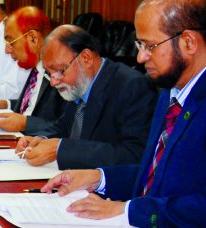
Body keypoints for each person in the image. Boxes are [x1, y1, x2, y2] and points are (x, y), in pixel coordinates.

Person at [41, 0, 206, 226]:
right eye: (139, 46)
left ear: (188, 42)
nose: (140, 58)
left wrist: (127, 210)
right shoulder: (168, 92)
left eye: (150, 46)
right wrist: (99, 178)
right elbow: (155, 177)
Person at [14, 25, 156, 169]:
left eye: (59, 71)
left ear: (86, 58)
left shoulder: (131, 86)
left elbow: (134, 154)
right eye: (49, 74)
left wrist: (60, 149)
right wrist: (40, 140)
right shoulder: (81, 83)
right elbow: (63, 127)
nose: (53, 82)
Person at [0, 6, 66, 136]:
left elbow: (66, 127)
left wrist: (25, 123)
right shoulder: (36, 69)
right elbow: (33, 105)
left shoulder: (62, 73)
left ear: (33, 38)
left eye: (11, 42)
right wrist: (8, 104)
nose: (7, 50)